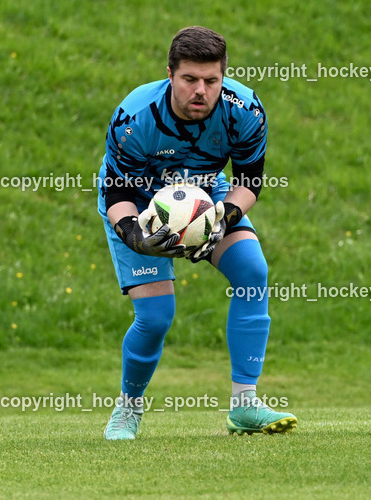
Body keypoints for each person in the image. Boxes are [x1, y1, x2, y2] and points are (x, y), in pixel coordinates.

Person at [98, 26, 296, 440]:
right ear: (170, 74)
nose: (200, 91)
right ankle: (128, 409)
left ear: (223, 77)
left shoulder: (244, 110)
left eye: (211, 80)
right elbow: (116, 191)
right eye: (189, 79)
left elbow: (249, 180)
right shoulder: (135, 117)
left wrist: (224, 218)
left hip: (205, 195)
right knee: (155, 317)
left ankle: (244, 405)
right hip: (138, 203)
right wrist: (135, 236)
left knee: (252, 272)